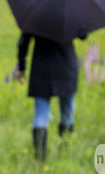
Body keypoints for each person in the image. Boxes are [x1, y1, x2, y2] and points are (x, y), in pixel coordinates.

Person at [16, 31, 84, 161]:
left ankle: (40, 158)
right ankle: (65, 153)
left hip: (42, 68)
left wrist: (21, 67)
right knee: (67, 111)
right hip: (66, 66)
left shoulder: (35, 12)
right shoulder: (70, 11)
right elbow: (83, 34)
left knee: (41, 115)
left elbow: (23, 42)